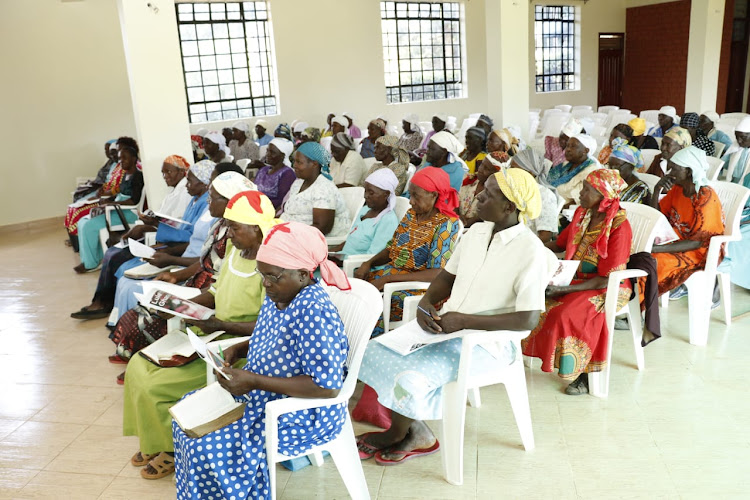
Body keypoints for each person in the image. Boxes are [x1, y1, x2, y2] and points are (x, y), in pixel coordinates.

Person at [354, 168, 553, 462]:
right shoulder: (475, 233)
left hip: (489, 343)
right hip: (448, 327)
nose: (479, 197)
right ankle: (416, 430)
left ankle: (398, 433)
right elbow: (446, 278)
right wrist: (426, 304)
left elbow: (527, 320)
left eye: (488, 194)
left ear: (509, 206)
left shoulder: (530, 251)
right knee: (371, 351)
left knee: (411, 376)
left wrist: (465, 321)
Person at [172, 221, 350, 497]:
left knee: (205, 443)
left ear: (303, 275)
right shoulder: (280, 293)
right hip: (264, 395)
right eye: (262, 273)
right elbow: (271, 334)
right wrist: (239, 349)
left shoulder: (314, 312)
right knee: (186, 417)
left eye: (273, 276)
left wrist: (254, 381)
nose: (265, 283)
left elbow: (327, 387)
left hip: (301, 413)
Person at [123, 191, 277, 480]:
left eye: (234, 228)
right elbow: (216, 292)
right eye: (228, 226)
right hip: (213, 331)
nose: (228, 235)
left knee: (159, 384)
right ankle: (152, 438)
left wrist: (219, 324)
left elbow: (269, 325)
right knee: (138, 366)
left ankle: (167, 448)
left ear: (257, 228)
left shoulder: (270, 267)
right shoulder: (235, 253)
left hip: (238, 348)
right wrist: (182, 307)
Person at [108, 169, 253, 362]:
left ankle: (148, 358)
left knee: (148, 318)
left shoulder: (237, 235)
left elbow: (218, 281)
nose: (208, 201)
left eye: (213, 197)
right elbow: (204, 262)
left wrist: (183, 297)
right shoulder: (219, 225)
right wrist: (176, 276)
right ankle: (139, 356)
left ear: (230, 201)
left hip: (208, 288)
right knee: (146, 306)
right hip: (202, 283)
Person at [523, 169, 633, 395]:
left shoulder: (619, 227)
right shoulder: (582, 214)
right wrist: (528, 246)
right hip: (576, 278)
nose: (580, 194)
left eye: (586, 190)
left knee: (566, 314)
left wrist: (564, 289)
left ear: (603, 195)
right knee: (532, 297)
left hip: (608, 285)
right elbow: (561, 244)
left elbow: (608, 277)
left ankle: (585, 374)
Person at [71, 160, 215, 320]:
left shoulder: (206, 204)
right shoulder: (195, 199)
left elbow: (191, 238)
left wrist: (159, 234)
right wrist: (155, 223)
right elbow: (185, 229)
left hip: (180, 251)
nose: (186, 184)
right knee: (116, 258)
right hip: (176, 246)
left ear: (204, 183)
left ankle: (110, 308)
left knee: (121, 264)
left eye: (189, 180)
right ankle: (108, 307)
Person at [354, 167, 461, 336]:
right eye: (410, 195)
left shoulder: (446, 224)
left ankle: (368, 346)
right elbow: (392, 248)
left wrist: (388, 280)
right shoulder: (411, 214)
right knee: (354, 290)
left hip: (419, 287)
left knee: (372, 304)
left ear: (434, 195)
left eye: (416, 196)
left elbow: (436, 272)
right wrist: (369, 263)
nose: (410, 201)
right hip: (393, 274)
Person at [648, 146, 725, 301]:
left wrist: (658, 248)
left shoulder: (705, 198)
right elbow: (658, 217)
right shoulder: (678, 189)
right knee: (639, 254)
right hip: (676, 240)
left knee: (654, 261)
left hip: (700, 252)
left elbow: (698, 242)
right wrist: (657, 190)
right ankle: (637, 300)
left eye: (675, 169)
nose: (670, 173)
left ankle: (642, 304)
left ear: (689, 172)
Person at [74, 142, 144, 273]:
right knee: (82, 221)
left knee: (90, 225)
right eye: (120, 158)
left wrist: (111, 205)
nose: (121, 161)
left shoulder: (138, 176)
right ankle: (91, 259)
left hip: (127, 212)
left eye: (125, 158)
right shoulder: (125, 175)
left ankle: (91, 264)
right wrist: (106, 201)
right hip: (116, 209)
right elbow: (119, 193)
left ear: (134, 159)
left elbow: (133, 200)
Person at [64, 138, 135, 250]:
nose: (119, 158)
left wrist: (108, 200)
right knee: (74, 209)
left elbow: (125, 194)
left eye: (119, 151)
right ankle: (78, 246)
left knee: (81, 215)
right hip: (110, 199)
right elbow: (110, 183)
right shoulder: (117, 165)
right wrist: (103, 192)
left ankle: (84, 249)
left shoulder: (134, 171)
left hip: (119, 206)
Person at [329, 169, 401, 261]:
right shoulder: (365, 210)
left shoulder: (388, 221)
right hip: (342, 259)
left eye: (371, 192)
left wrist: (341, 262)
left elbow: (373, 256)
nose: (365, 196)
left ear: (386, 194)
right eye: (365, 191)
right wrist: (329, 253)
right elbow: (351, 241)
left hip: (355, 266)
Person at [118, 155, 193, 243]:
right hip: (163, 229)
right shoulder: (174, 191)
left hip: (173, 236)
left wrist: (147, 226)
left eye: (168, 172)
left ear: (181, 171)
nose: (165, 176)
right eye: (163, 173)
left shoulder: (185, 192)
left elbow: (177, 224)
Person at [282, 141, 351, 236]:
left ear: (314, 164)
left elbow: (322, 227)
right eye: (294, 161)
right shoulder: (298, 183)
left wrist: (291, 236)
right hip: (289, 233)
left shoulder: (323, 188)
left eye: (299, 162)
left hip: (311, 240)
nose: (294, 166)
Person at [509, 148, 559, 243]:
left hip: (528, 246)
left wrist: (520, 249)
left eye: (515, 170)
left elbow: (545, 236)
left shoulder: (544, 195)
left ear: (530, 174)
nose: (510, 173)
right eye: (510, 168)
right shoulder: (510, 189)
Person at [548, 134, 601, 206]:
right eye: (568, 145)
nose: (568, 149)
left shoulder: (591, 172)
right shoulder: (564, 165)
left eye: (573, 146)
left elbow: (575, 201)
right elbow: (546, 181)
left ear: (586, 150)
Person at [458, 154, 501, 228]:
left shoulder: (495, 194)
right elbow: (455, 199)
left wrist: (471, 221)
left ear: (496, 175)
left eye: (487, 169)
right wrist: (458, 216)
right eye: (481, 165)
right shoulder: (468, 180)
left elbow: (486, 216)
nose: (480, 169)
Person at [253, 138, 296, 210]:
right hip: (254, 205)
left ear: (282, 156)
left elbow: (282, 201)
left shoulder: (287, 174)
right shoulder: (263, 170)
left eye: (272, 152)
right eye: (267, 151)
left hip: (268, 210)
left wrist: (259, 203)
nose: (267, 154)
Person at [606, 138, 650, 204]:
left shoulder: (640, 189)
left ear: (631, 167)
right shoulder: (608, 181)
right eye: (610, 165)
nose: (613, 169)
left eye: (617, 166)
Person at [422, 130, 465, 195]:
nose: (427, 152)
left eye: (432, 149)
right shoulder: (429, 164)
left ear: (444, 152)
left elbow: (445, 200)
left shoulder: (456, 172)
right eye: (428, 148)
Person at [720, 116, 750, 182]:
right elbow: (723, 164)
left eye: (743, 137)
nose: (739, 141)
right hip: (734, 182)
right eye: (737, 137)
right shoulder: (735, 147)